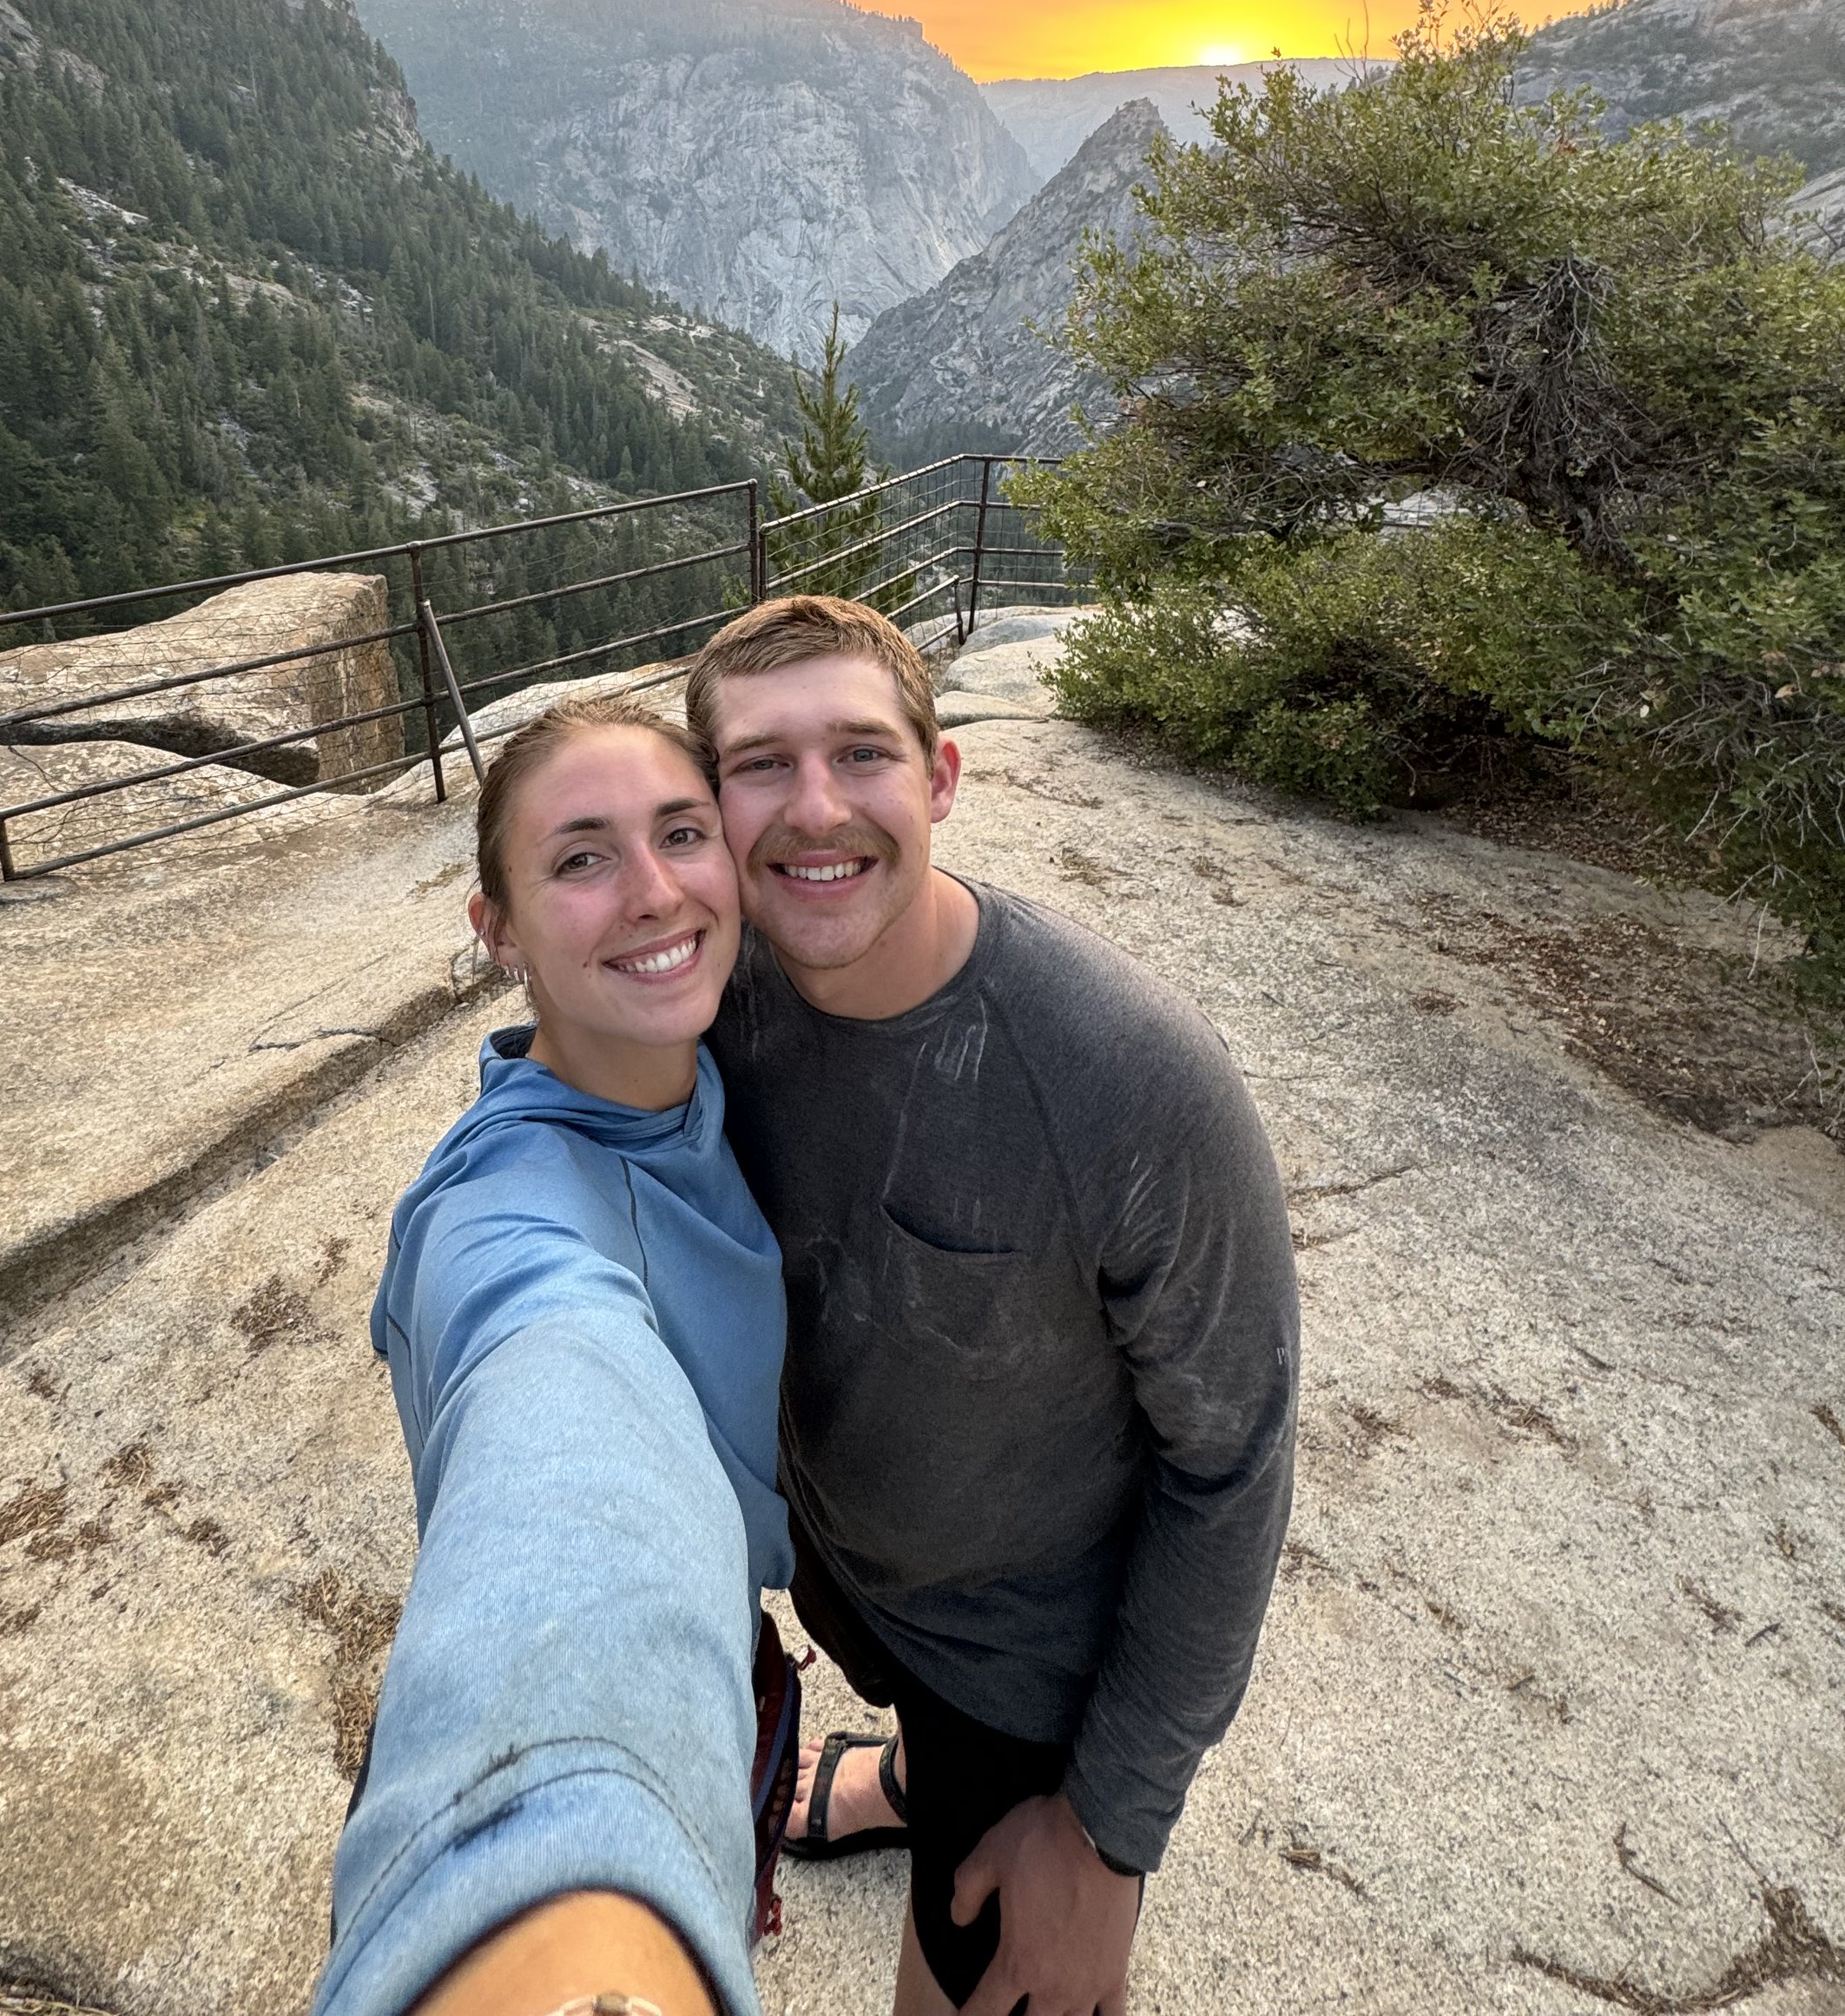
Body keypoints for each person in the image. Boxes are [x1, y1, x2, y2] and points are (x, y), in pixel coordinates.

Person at [685, 594, 1301, 2016]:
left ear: (942, 778)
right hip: (857, 1569)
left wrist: (1106, 1835)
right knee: (910, 1695)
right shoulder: (726, 989)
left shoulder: (1127, 1083)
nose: (814, 807)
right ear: (709, 805)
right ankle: (913, 1768)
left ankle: (974, 1785)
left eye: (861, 754)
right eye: (760, 764)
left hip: (1034, 1666)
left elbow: (1233, 1462)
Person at [315, 693, 797, 2016]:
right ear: (498, 927)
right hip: (582, 1766)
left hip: (728, 1675)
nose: (653, 893)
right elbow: (562, 1423)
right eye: (581, 857)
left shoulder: (699, 1066)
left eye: (681, 834)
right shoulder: (506, 1216)